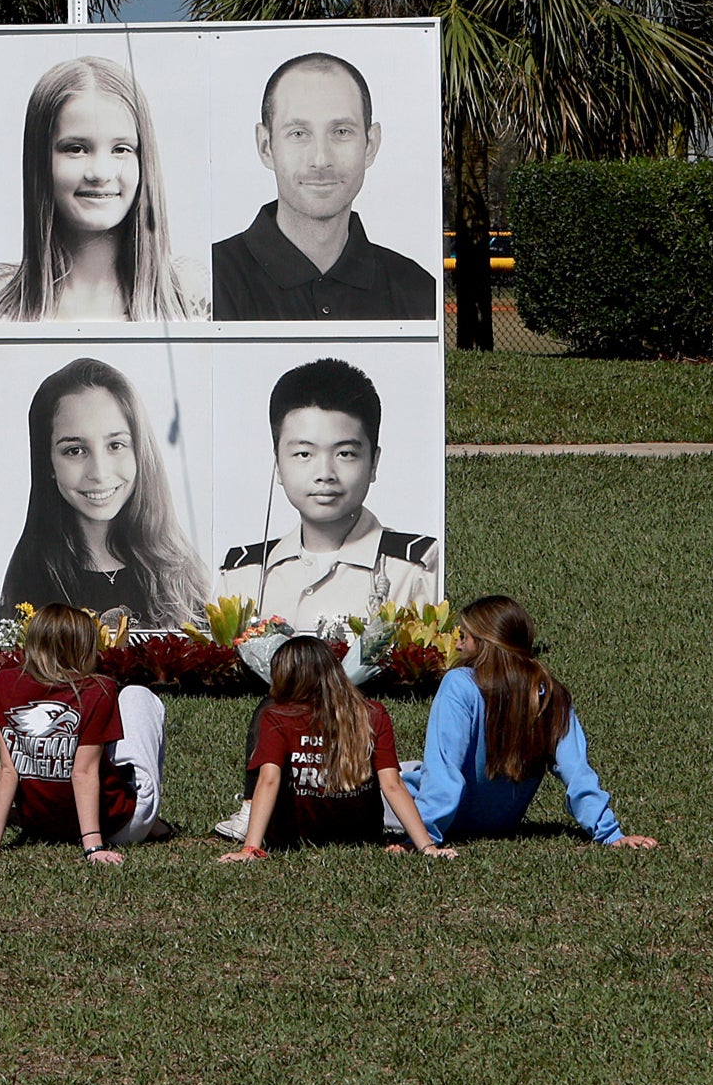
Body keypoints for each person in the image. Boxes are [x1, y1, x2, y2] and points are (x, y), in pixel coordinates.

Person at [404, 595, 657, 850]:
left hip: (426, 815)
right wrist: (610, 833)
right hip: (501, 822)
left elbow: (443, 768)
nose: (458, 645)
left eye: (464, 637)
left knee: (385, 777)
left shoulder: (459, 684)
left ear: (484, 644)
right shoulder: (549, 694)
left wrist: (423, 836)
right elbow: (577, 771)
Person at [218, 357, 441, 631]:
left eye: (345, 454)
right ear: (277, 464)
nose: (325, 473)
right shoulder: (242, 575)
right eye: (304, 454)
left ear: (373, 463)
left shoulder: (414, 569)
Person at [212, 52, 438, 321]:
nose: (321, 160)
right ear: (265, 146)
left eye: (341, 131)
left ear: (371, 145)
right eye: (298, 133)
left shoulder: (417, 289)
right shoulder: (210, 283)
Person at [0, 356, 210, 627]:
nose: (98, 472)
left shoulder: (181, 572)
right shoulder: (28, 579)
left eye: (116, 445)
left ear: (140, 451)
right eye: (75, 450)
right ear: (47, 462)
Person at [0, 55, 205, 321]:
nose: (101, 173)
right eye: (76, 149)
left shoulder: (192, 295)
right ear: (39, 161)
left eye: (121, 149)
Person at [0, 603, 170, 860]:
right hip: (117, 827)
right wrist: (93, 847)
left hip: (42, 826)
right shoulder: (98, 689)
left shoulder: (4, 684)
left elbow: (8, 768)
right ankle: (153, 824)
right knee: (138, 695)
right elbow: (83, 772)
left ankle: (148, 822)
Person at [215, 634, 453, 860]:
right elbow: (392, 784)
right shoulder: (371, 713)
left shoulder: (277, 717)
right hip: (360, 834)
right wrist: (427, 845)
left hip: (293, 836)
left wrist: (250, 848)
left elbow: (268, 780)